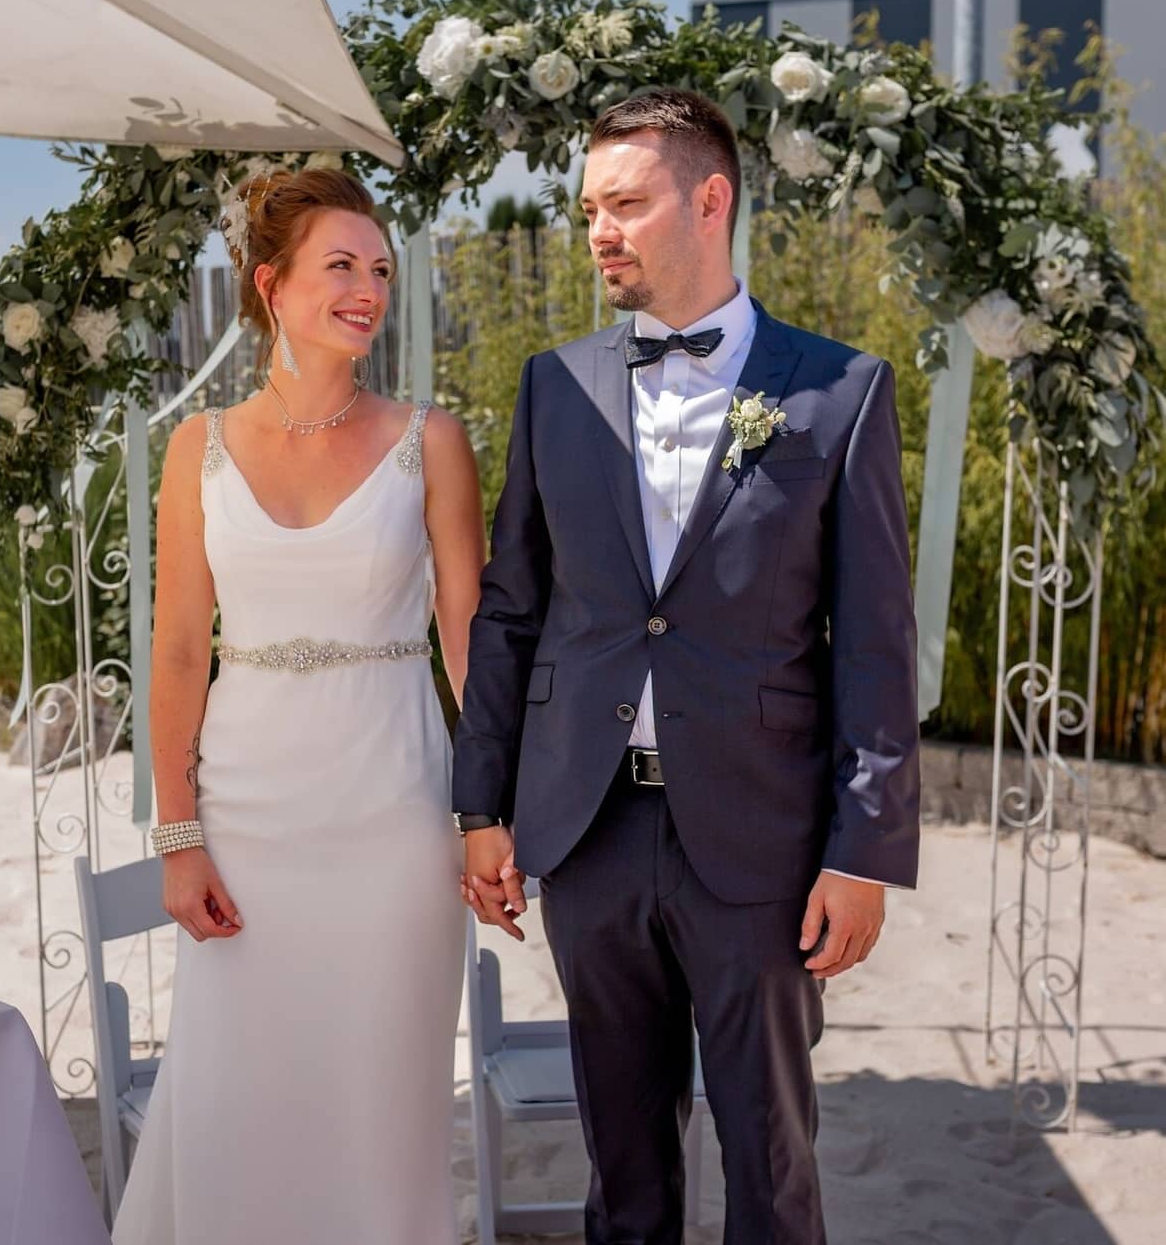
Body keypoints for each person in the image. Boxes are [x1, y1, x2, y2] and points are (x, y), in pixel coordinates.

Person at [455, 87, 922, 1245]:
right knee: (621, 1164)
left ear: (709, 200)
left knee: (772, 1159)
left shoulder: (839, 393)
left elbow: (874, 640)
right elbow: (513, 611)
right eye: (587, 210)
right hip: (590, 829)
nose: (598, 231)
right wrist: (482, 806)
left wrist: (864, 851)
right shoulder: (551, 385)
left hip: (760, 841)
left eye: (625, 204)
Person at [111, 164, 487, 1244]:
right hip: (245, 823)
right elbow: (178, 652)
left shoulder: (435, 444)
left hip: (395, 816)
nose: (367, 289)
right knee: (238, 1094)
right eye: (341, 267)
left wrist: (486, 814)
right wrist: (177, 837)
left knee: (384, 1102)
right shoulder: (200, 449)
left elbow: (468, 644)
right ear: (272, 285)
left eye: (379, 269)